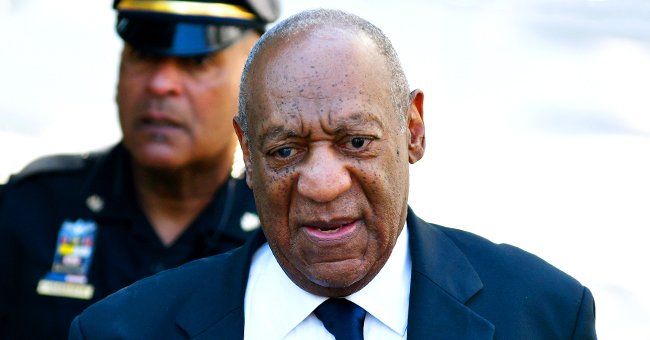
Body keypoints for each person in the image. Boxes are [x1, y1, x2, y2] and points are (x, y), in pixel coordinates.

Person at [69, 8, 597, 339]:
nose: (323, 183)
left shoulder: (545, 314)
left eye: (357, 142)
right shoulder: (125, 329)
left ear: (412, 129)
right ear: (247, 154)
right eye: (284, 151)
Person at [0, 0, 279, 338]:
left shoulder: (280, 234)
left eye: (197, 62)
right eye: (144, 55)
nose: (161, 84)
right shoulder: (30, 211)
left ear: (253, 78)